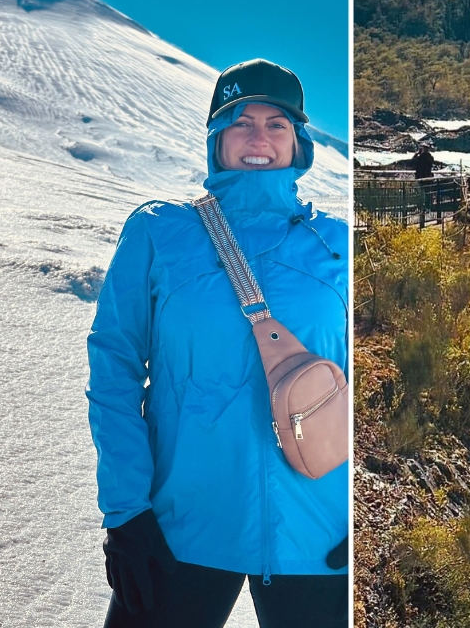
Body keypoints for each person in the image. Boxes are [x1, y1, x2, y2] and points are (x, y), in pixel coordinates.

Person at [86, 59, 349, 628]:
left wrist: (364, 520)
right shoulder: (159, 232)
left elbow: (371, 382)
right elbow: (113, 370)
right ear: (217, 139)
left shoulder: (337, 244)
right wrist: (126, 510)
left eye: (277, 124)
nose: (259, 138)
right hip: (183, 524)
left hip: (320, 532)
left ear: (299, 142)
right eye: (240, 122)